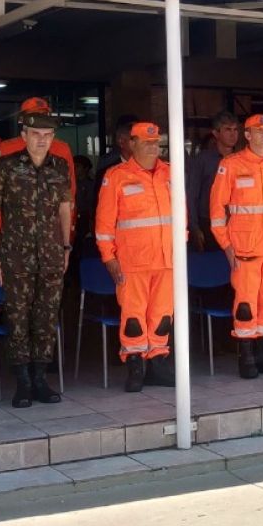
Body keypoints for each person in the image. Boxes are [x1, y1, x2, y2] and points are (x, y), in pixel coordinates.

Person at [0, 107, 70, 408]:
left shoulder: (60, 167)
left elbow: (64, 209)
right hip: (15, 254)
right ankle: (21, 382)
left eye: (47, 136)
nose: (41, 141)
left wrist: (67, 247)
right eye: (36, 135)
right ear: (24, 136)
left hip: (50, 253)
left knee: (46, 317)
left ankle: (40, 378)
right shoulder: (6, 166)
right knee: (18, 316)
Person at [96, 122, 178, 392]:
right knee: (133, 318)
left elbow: (181, 217)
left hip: (167, 259)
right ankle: (135, 367)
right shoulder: (116, 176)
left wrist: (181, 248)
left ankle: (158, 365)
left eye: (156, 142)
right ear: (131, 144)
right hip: (132, 262)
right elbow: (104, 223)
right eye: (146, 142)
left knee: (163, 315)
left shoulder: (171, 174)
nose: (153, 147)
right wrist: (108, 258)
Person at [210, 114, 263, 378]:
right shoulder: (231, 164)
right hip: (244, 247)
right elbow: (216, 210)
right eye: (258, 131)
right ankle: (245, 358)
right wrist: (225, 244)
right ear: (247, 135)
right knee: (246, 303)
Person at [188, 110, 239, 252]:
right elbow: (192, 196)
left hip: (239, 224)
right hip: (208, 223)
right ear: (216, 133)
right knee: (212, 269)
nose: (233, 134)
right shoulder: (202, 160)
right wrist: (194, 227)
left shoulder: (243, 160)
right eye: (227, 130)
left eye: (235, 130)